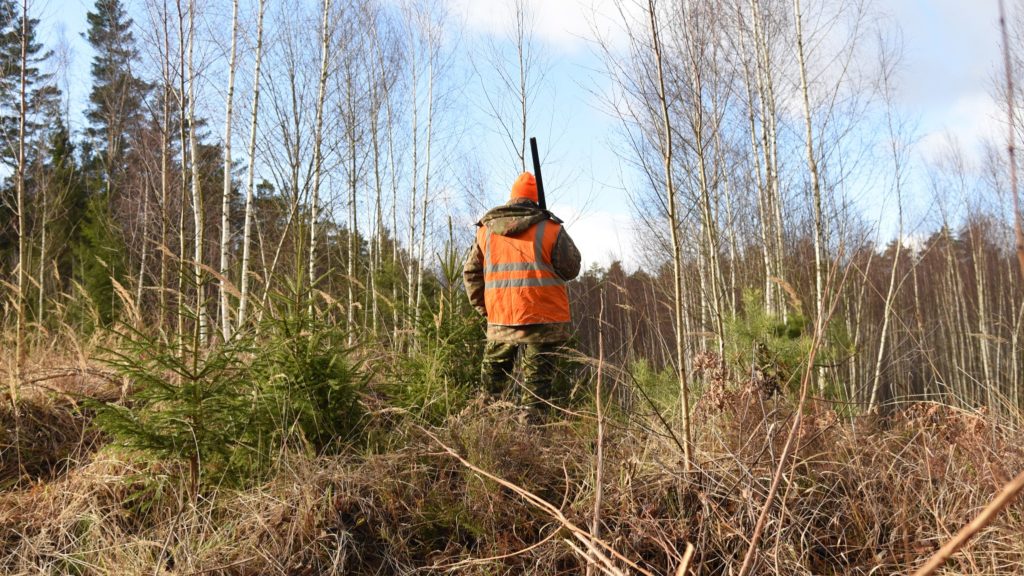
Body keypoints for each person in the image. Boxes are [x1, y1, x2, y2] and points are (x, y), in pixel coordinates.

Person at [463, 172, 581, 405]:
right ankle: (531, 435)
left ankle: (489, 435)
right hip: (543, 322)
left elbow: (471, 274)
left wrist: (487, 310)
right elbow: (571, 269)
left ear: (512, 198)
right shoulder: (551, 229)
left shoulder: (485, 231)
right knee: (537, 393)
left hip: (501, 319)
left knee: (491, 391)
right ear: (535, 200)